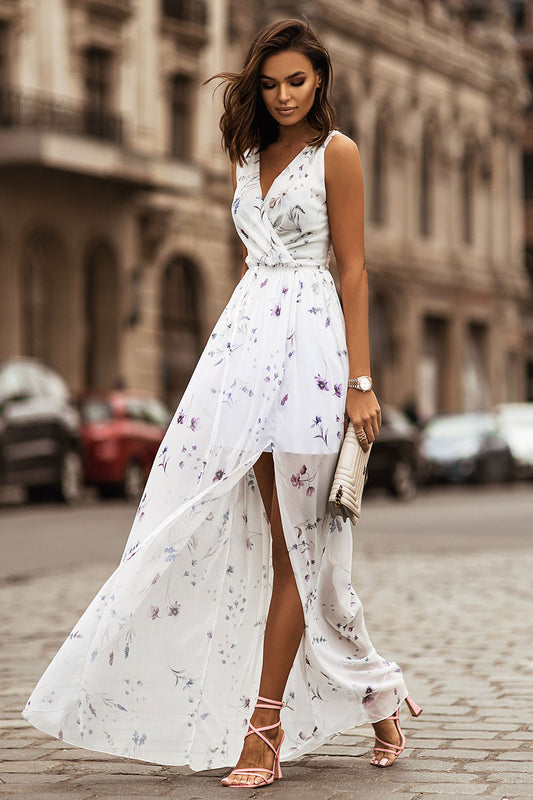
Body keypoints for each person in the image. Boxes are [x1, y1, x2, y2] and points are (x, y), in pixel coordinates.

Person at [22, 17, 421, 789]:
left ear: (320, 83)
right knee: (286, 549)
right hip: (242, 361)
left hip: (311, 359)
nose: (281, 96)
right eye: (269, 84)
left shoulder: (336, 154)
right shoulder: (244, 157)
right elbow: (253, 259)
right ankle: (380, 695)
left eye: (295, 82)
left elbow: (353, 270)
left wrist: (361, 383)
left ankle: (261, 732)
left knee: (301, 551)